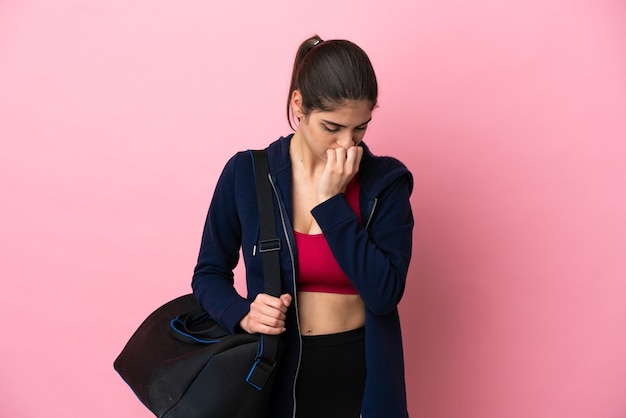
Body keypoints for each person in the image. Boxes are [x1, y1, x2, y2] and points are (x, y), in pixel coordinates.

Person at [191, 34, 414, 418]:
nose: (347, 144)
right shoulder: (247, 174)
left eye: (360, 128)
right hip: (273, 376)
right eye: (332, 127)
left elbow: (383, 293)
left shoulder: (385, 182)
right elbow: (208, 273)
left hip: (361, 379)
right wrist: (240, 313)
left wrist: (331, 204)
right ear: (299, 105)